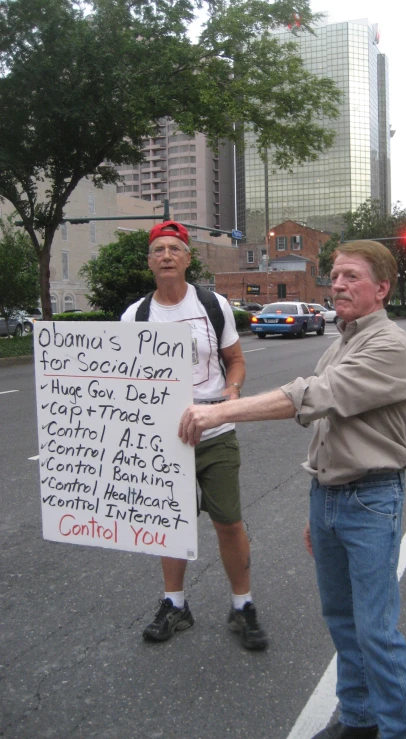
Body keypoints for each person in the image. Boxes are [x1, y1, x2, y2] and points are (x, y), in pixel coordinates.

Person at [179, 240, 406, 739]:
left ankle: (403, 732)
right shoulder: (344, 339)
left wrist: (219, 411)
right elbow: (327, 425)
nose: (337, 284)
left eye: (351, 276)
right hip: (334, 497)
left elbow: (313, 396)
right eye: (334, 275)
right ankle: (359, 721)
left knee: (377, 632)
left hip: (372, 498)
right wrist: (323, 509)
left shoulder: (391, 345)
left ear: (381, 288)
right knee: (341, 619)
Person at [121, 220, 268, 651]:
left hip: (216, 432)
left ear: (187, 258)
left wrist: (232, 390)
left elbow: (235, 360)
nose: (166, 255)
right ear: (149, 262)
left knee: (228, 521)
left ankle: (242, 605)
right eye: (158, 250)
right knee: (170, 524)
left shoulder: (213, 305)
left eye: (174, 249)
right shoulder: (136, 316)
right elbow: (124, 377)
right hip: (164, 440)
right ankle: (175, 604)